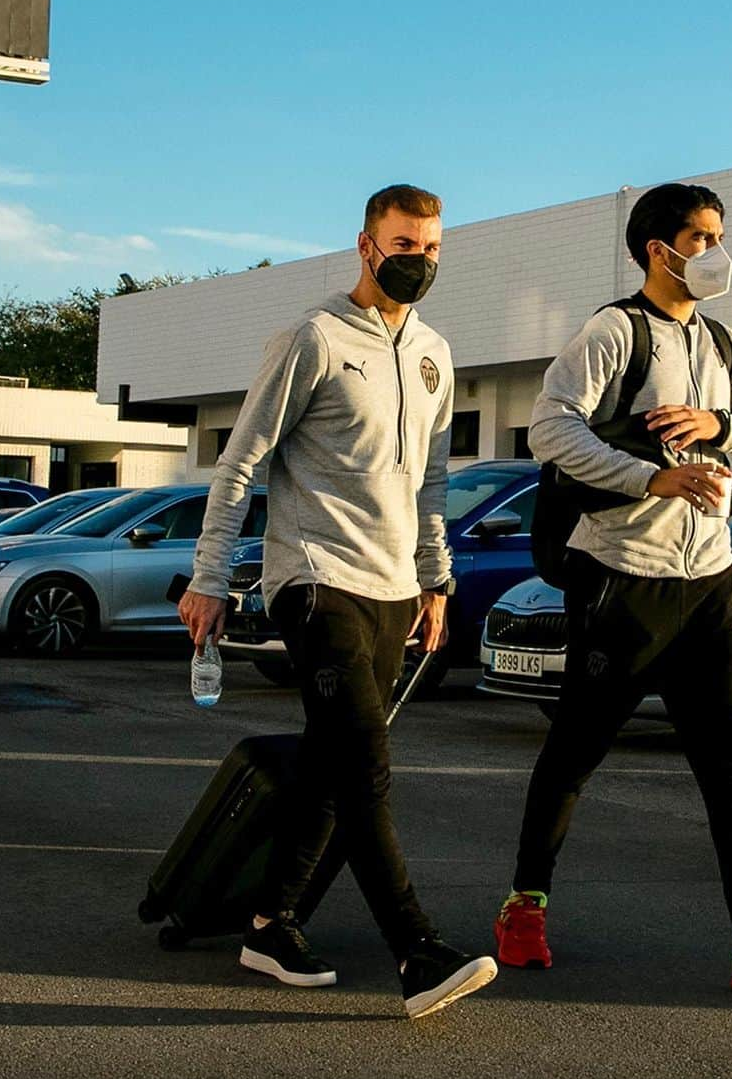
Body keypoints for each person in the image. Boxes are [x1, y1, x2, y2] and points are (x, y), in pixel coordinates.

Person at [494, 181, 732, 994]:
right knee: (576, 752)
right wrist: (652, 479)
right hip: (624, 581)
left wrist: (719, 427)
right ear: (659, 249)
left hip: (710, 581)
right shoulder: (615, 331)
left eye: (720, 235)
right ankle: (524, 906)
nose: (717, 251)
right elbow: (549, 426)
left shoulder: (722, 345)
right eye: (703, 236)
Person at [179, 183, 497, 1019]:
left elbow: (431, 479)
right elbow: (240, 462)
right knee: (365, 761)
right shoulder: (313, 338)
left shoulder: (435, 352)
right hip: (316, 578)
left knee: (330, 770)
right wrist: (211, 577)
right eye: (403, 245)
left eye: (431, 248)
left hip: (396, 587)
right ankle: (416, 949)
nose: (419, 260)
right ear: (365, 246)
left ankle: (270, 923)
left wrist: (436, 578)